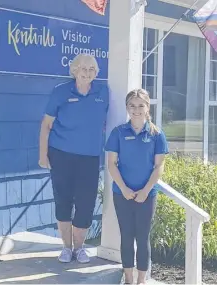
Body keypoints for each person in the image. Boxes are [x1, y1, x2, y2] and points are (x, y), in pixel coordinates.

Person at [39, 53, 109, 263]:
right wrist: (43, 155)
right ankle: (66, 248)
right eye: (83, 69)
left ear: (96, 73)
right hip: (61, 154)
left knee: (86, 204)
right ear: (74, 71)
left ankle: (79, 248)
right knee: (63, 200)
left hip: (89, 157)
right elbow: (46, 125)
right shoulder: (60, 92)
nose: (87, 73)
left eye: (92, 70)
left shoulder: (103, 92)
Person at [105, 89, 169, 285]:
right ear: (127, 108)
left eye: (141, 105)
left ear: (148, 108)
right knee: (126, 236)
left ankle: (141, 280)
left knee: (142, 237)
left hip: (146, 195)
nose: (136, 110)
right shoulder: (118, 133)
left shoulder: (157, 135)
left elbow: (159, 167)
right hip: (122, 194)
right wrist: (124, 189)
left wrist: (146, 191)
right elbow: (111, 164)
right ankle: (129, 279)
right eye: (132, 105)